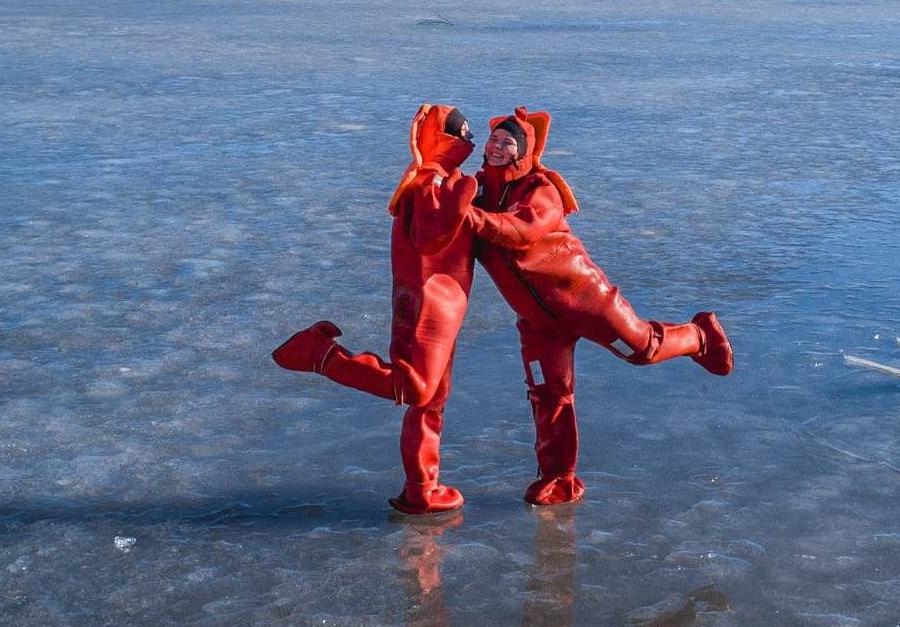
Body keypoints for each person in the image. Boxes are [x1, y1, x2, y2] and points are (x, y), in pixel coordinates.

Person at [462, 107, 733, 506]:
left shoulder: (542, 190)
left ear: (523, 152)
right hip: (537, 320)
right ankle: (559, 479)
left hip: (583, 297)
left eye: (508, 143)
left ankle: (699, 335)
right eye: (494, 140)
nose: (497, 148)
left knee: (641, 349)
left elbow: (523, 232)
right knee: (547, 393)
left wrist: (467, 215)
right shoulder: (477, 191)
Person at [272, 103, 481, 514]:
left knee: (433, 397)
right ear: (445, 139)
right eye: (463, 134)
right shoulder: (428, 184)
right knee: (417, 386)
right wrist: (461, 203)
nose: (470, 142)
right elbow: (428, 239)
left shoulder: (444, 179)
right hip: (424, 302)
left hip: (448, 304)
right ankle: (320, 354)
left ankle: (421, 489)